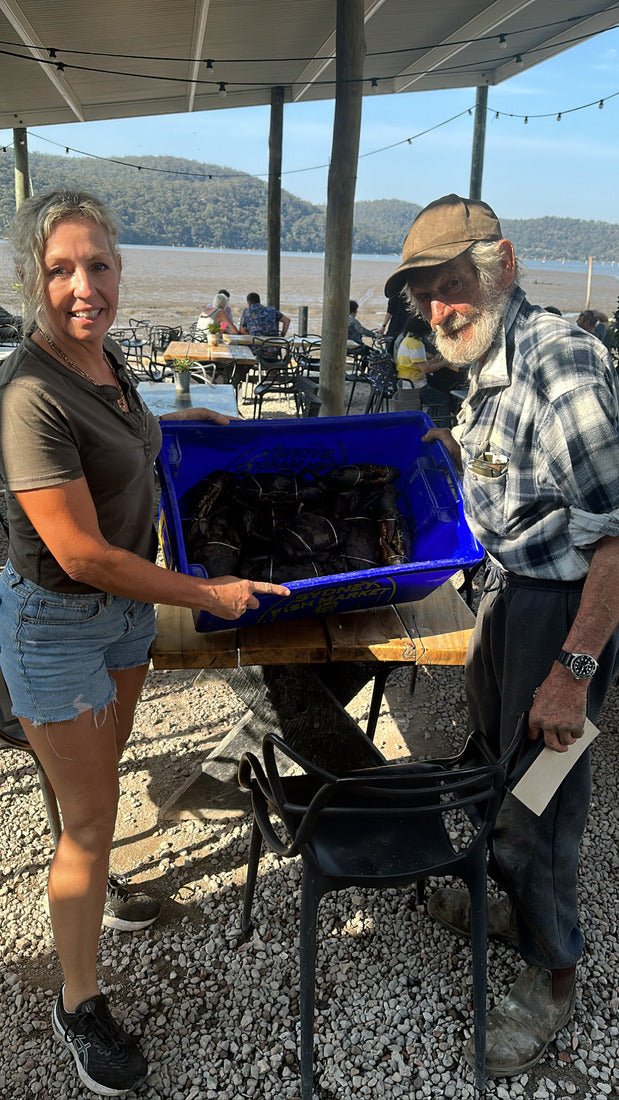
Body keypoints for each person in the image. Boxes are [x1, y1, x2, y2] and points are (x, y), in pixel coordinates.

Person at [0, 190, 289, 1097]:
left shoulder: (104, 361)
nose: (83, 286)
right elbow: (82, 554)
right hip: (59, 620)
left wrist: (178, 430)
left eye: (98, 265)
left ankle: (91, 901)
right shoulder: (27, 396)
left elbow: (124, 446)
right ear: (32, 280)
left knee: (93, 788)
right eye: (60, 270)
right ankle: (77, 1003)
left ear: (119, 270)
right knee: (89, 821)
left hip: (121, 615)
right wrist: (208, 591)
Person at [384, 193, 619, 1079]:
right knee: (489, 767)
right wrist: (445, 450)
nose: (442, 305)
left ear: (502, 265)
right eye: (427, 294)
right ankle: (501, 902)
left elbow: (615, 532)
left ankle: (550, 973)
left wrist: (572, 673)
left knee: (542, 801)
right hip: (504, 596)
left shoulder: (558, 362)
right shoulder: (485, 367)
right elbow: (518, 480)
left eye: (454, 283)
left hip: (564, 615)